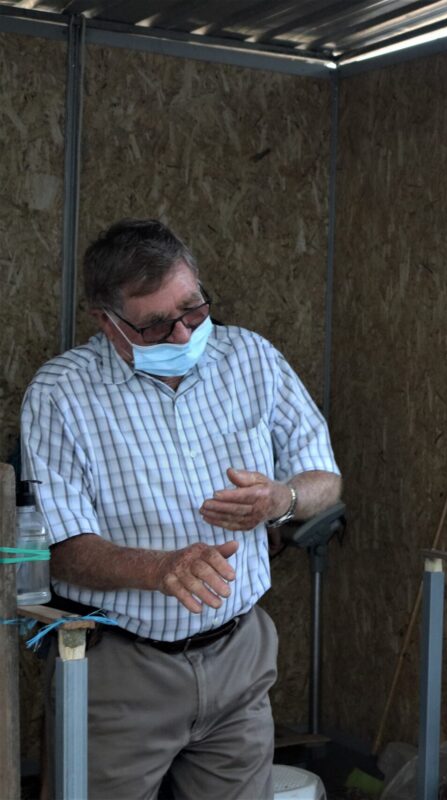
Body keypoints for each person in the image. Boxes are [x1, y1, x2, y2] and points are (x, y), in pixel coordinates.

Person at [20, 219, 342, 799]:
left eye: (193, 310)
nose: (182, 334)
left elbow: (325, 479)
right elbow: (57, 550)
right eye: (155, 325)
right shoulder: (61, 393)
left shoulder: (251, 358)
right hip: (122, 670)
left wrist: (281, 500)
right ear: (106, 322)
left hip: (239, 656)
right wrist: (159, 569)